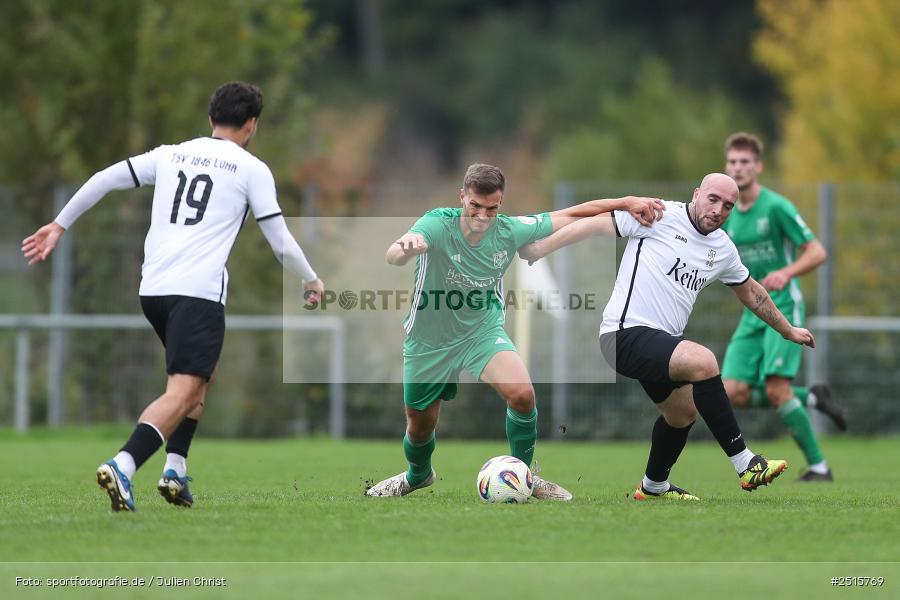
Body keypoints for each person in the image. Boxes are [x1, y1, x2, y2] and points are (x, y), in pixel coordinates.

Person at [22, 81, 325, 512]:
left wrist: (59, 224)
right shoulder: (250, 169)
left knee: (200, 376)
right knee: (182, 392)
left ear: (210, 118)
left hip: (154, 290)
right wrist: (310, 279)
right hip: (197, 292)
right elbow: (279, 240)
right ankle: (124, 465)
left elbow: (104, 178)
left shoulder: (169, 154)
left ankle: (175, 470)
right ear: (252, 124)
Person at [365, 163, 664, 499]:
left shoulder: (509, 230)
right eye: (474, 206)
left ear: (501, 203)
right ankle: (418, 475)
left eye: (491, 208)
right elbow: (394, 254)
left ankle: (523, 477)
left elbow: (571, 214)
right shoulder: (436, 224)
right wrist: (406, 248)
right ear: (462, 196)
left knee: (522, 395)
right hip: (429, 339)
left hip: (481, 332)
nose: (482, 215)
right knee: (419, 428)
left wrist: (625, 202)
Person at [519, 173, 815, 500]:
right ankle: (746, 464)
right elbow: (593, 223)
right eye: (713, 199)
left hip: (659, 343)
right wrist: (542, 247)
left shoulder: (723, 248)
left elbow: (752, 292)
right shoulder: (658, 216)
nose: (718, 209)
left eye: (727, 206)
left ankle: (653, 486)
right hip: (622, 334)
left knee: (682, 413)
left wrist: (787, 330)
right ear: (697, 194)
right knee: (703, 361)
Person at [721, 132, 845, 482]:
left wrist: (786, 272)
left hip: (784, 305)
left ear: (758, 167)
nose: (738, 168)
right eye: (732, 162)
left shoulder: (776, 207)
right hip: (752, 311)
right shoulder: (727, 213)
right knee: (732, 392)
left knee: (776, 389)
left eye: (745, 162)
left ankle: (819, 467)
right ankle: (811, 398)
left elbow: (817, 251)